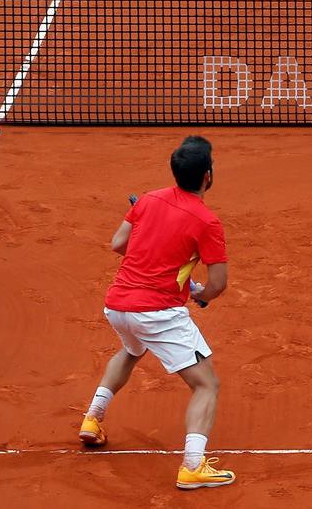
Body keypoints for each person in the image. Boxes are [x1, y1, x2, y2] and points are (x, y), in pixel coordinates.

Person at [78, 136, 236, 488]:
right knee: (206, 385)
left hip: (118, 306)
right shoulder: (207, 222)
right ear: (207, 177)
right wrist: (202, 295)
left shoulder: (148, 199)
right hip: (157, 313)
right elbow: (219, 283)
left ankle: (92, 418)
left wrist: (163, 268)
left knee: (132, 349)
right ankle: (193, 466)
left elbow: (119, 243)